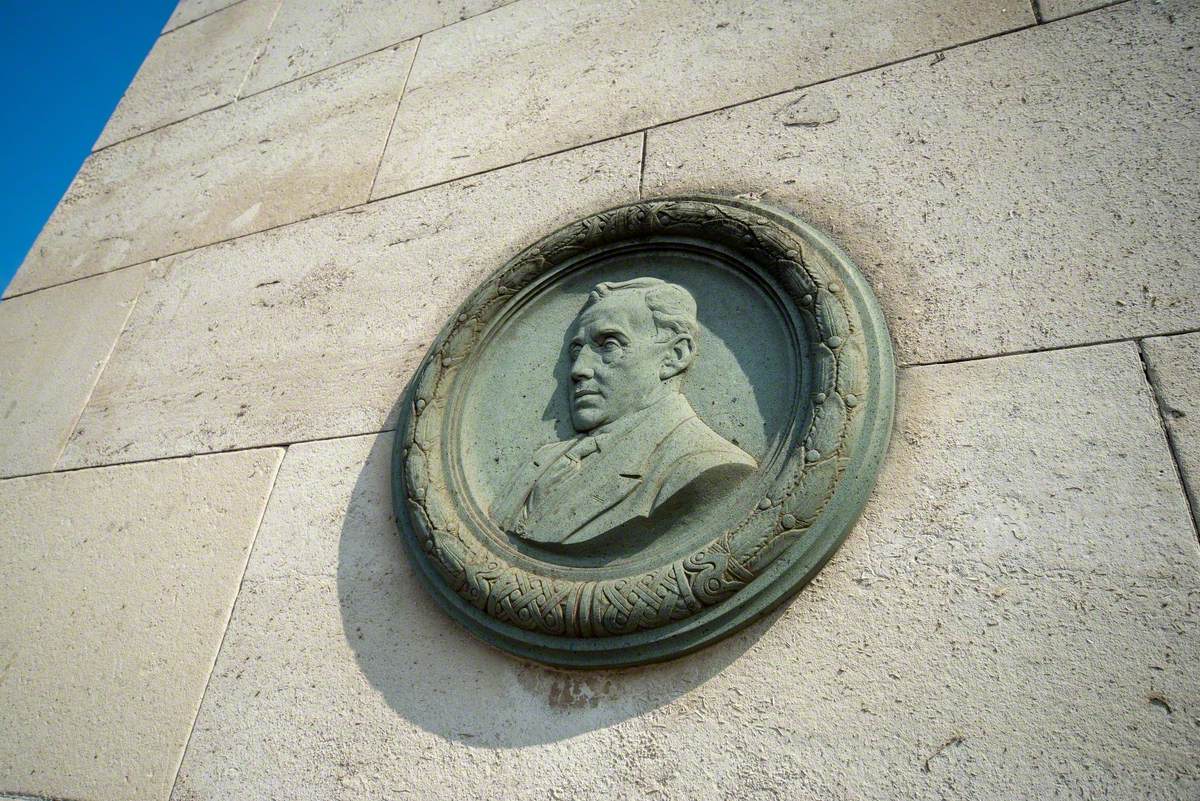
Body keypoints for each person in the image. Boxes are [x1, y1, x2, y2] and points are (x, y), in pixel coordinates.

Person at [493, 277, 756, 549]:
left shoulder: (703, 464)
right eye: (576, 351)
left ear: (675, 355)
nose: (578, 369)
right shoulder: (544, 461)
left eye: (609, 345)